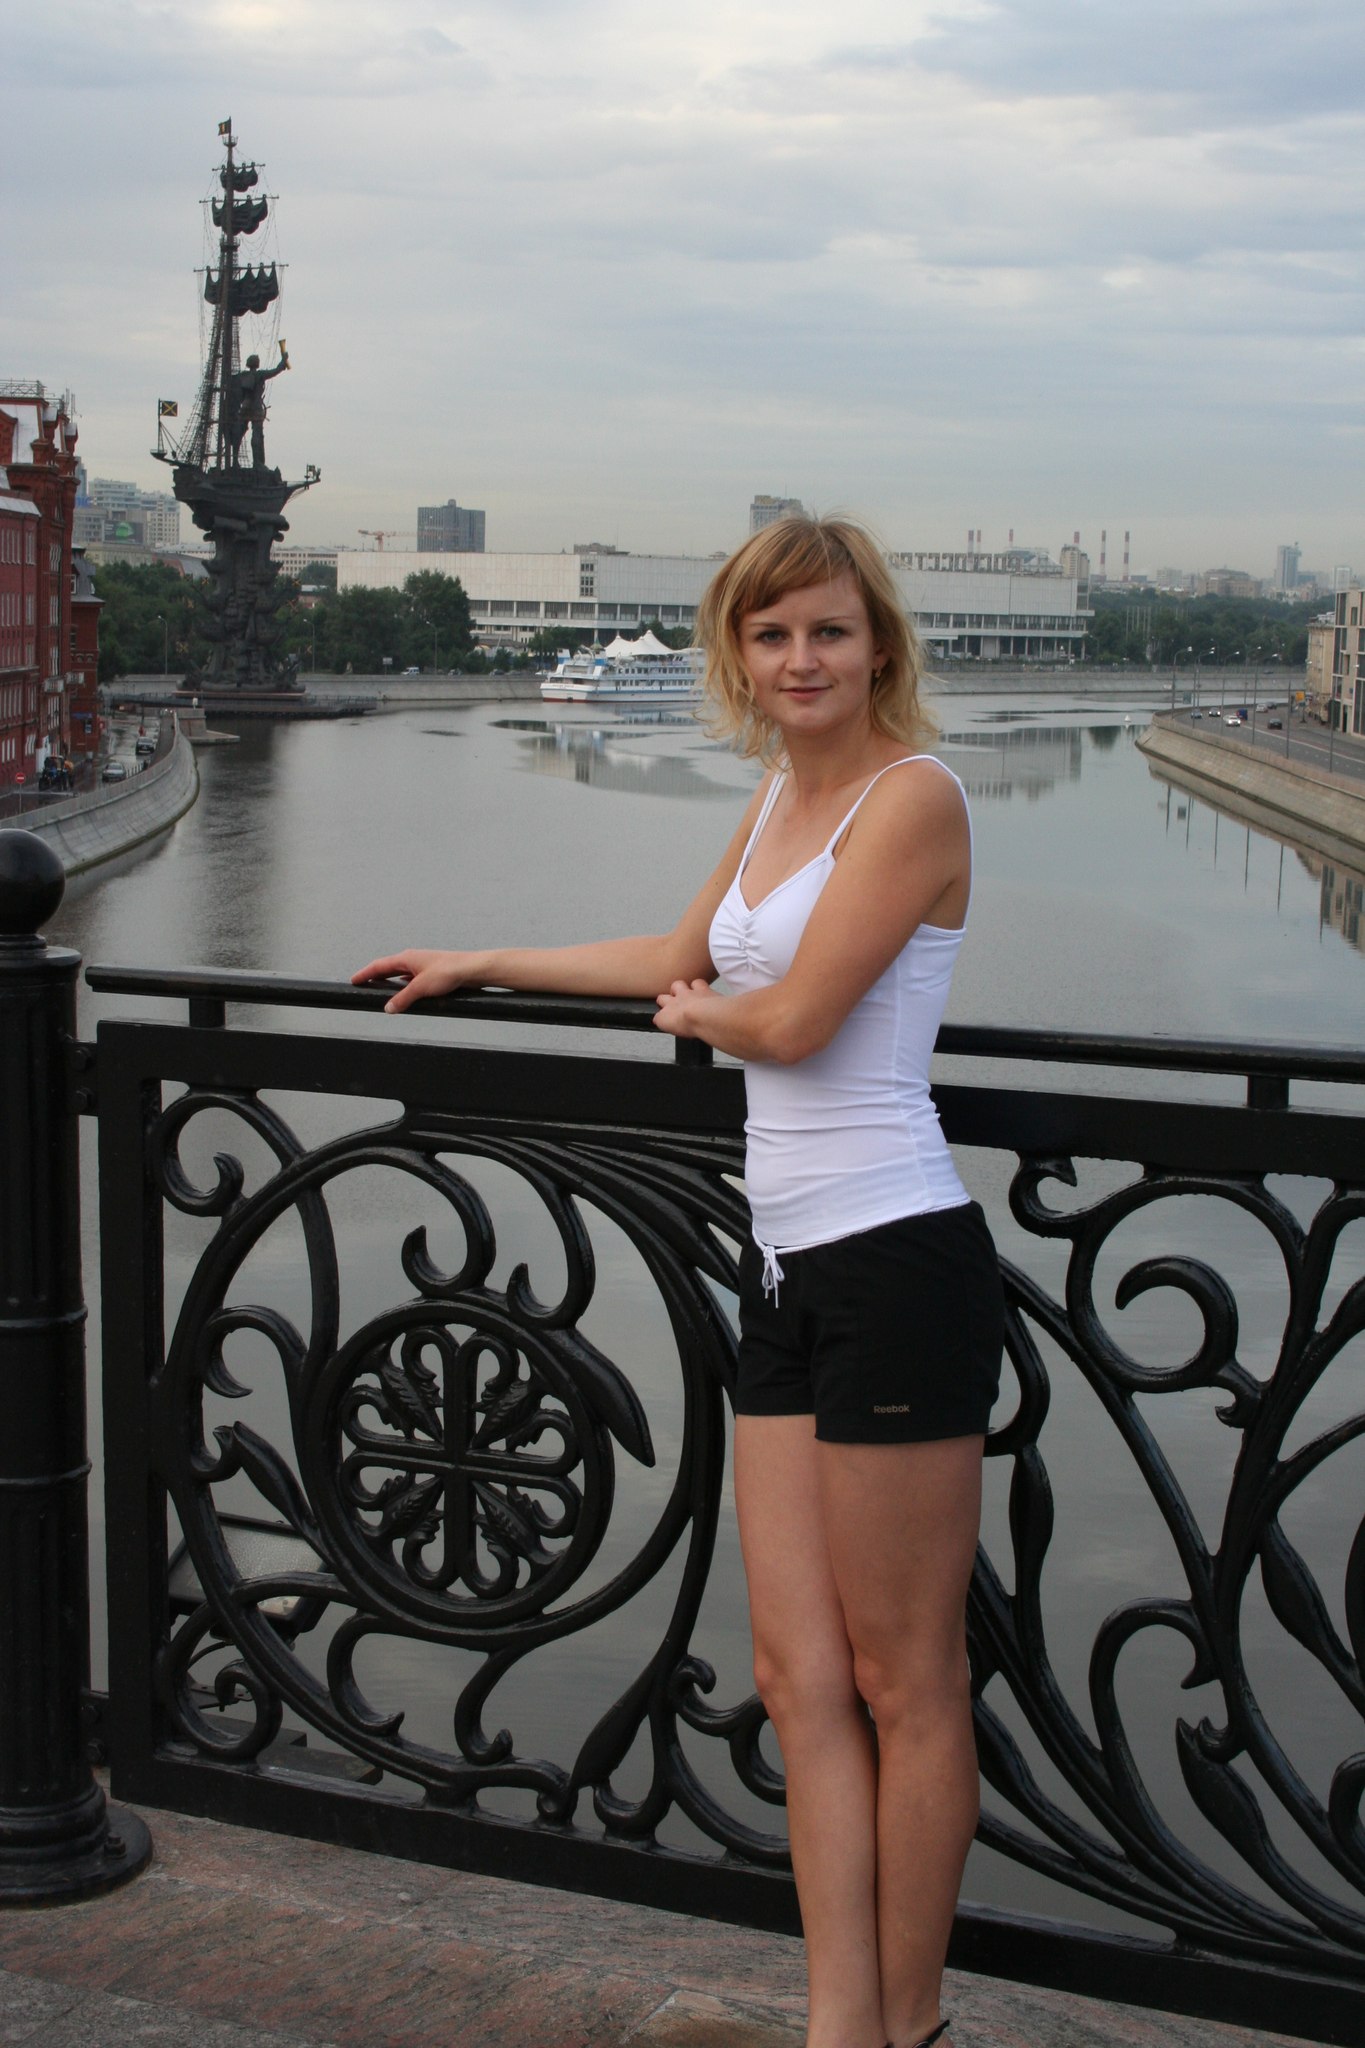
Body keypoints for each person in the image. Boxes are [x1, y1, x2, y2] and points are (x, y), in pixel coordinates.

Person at [352, 516, 1003, 2048]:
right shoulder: (780, 797)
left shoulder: (914, 798)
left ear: (877, 644)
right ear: (738, 654)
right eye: (771, 635)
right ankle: (837, 2024)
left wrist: (709, 1015)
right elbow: (680, 954)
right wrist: (483, 961)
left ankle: (906, 2029)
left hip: (894, 1260)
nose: (800, 659)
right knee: (795, 1673)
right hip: (783, 1263)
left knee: (902, 1679)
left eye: (827, 630)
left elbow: (789, 1023)